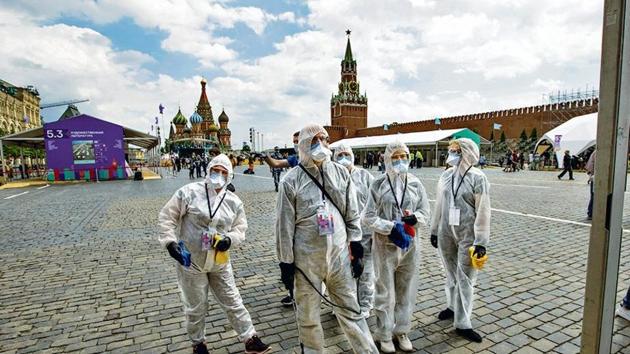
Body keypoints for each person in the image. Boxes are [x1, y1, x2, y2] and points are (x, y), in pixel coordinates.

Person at [276, 124, 379, 354]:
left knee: (351, 308)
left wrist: (355, 247)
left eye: (325, 139)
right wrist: (286, 262)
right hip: (306, 261)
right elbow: (283, 227)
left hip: (340, 257)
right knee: (308, 314)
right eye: (315, 140)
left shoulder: (341, 173)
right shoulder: (291, 180)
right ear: (303, 144)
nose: (321, 144)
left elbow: (352, 213)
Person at [158, 154, 270, 354]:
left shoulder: (234, 201)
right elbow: (168, 217)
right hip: (191, 261)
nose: (218, 175)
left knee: (233, 299)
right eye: (215, 170)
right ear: (208, 170)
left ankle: (250, 338)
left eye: (223, 172)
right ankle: (198, 343)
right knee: (196, 306)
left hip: (220, 260)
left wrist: (230, 239)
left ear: (230, 175)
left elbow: (240, 228)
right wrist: (169, 242)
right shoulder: (189, 192)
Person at [362, 141, 431, 353]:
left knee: (405, 291)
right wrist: (389, 227)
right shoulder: (378, 184)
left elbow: (425, 212)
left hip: (410, 245)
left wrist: (415, 219)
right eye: (395, 157)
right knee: (385, 293)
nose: (400, 161)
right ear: (387, 158)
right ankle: (384, 334)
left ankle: (402, 331)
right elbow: (368, 216)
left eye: (404, 156)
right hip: (385, 246)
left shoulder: (416, 184)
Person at [430, 138, 491, 343]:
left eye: (456, 151)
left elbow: (483, 211)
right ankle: (452, 306)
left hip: (468, 233)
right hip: (446, 230)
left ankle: (463, 323)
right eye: (451, 150)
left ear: (467, 152)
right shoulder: (446, 176)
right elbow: (439, 203)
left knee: (465, 277)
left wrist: (481, 241)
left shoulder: (478, 178)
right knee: (449, 272)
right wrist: (434, 229)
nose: (451, 154)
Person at [333, 143, 376, 319]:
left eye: (346, 154)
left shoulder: (365, 176)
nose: (344, 158)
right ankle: (345, 304)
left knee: (366, 271)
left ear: (352, 156)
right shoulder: (331, 177)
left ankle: (365, 304)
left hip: (364, 233)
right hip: (340, 234)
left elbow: (375, 203)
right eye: (339, 155)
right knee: (342, 272)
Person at [586, 151, 596, 220]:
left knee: (593, 195)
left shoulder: (595, 152)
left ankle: (590, 212)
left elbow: (589, 166)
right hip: (596, 177)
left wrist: (590, 174)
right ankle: (591, 212)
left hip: (594, 177)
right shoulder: (597, 152)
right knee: (594, 196)